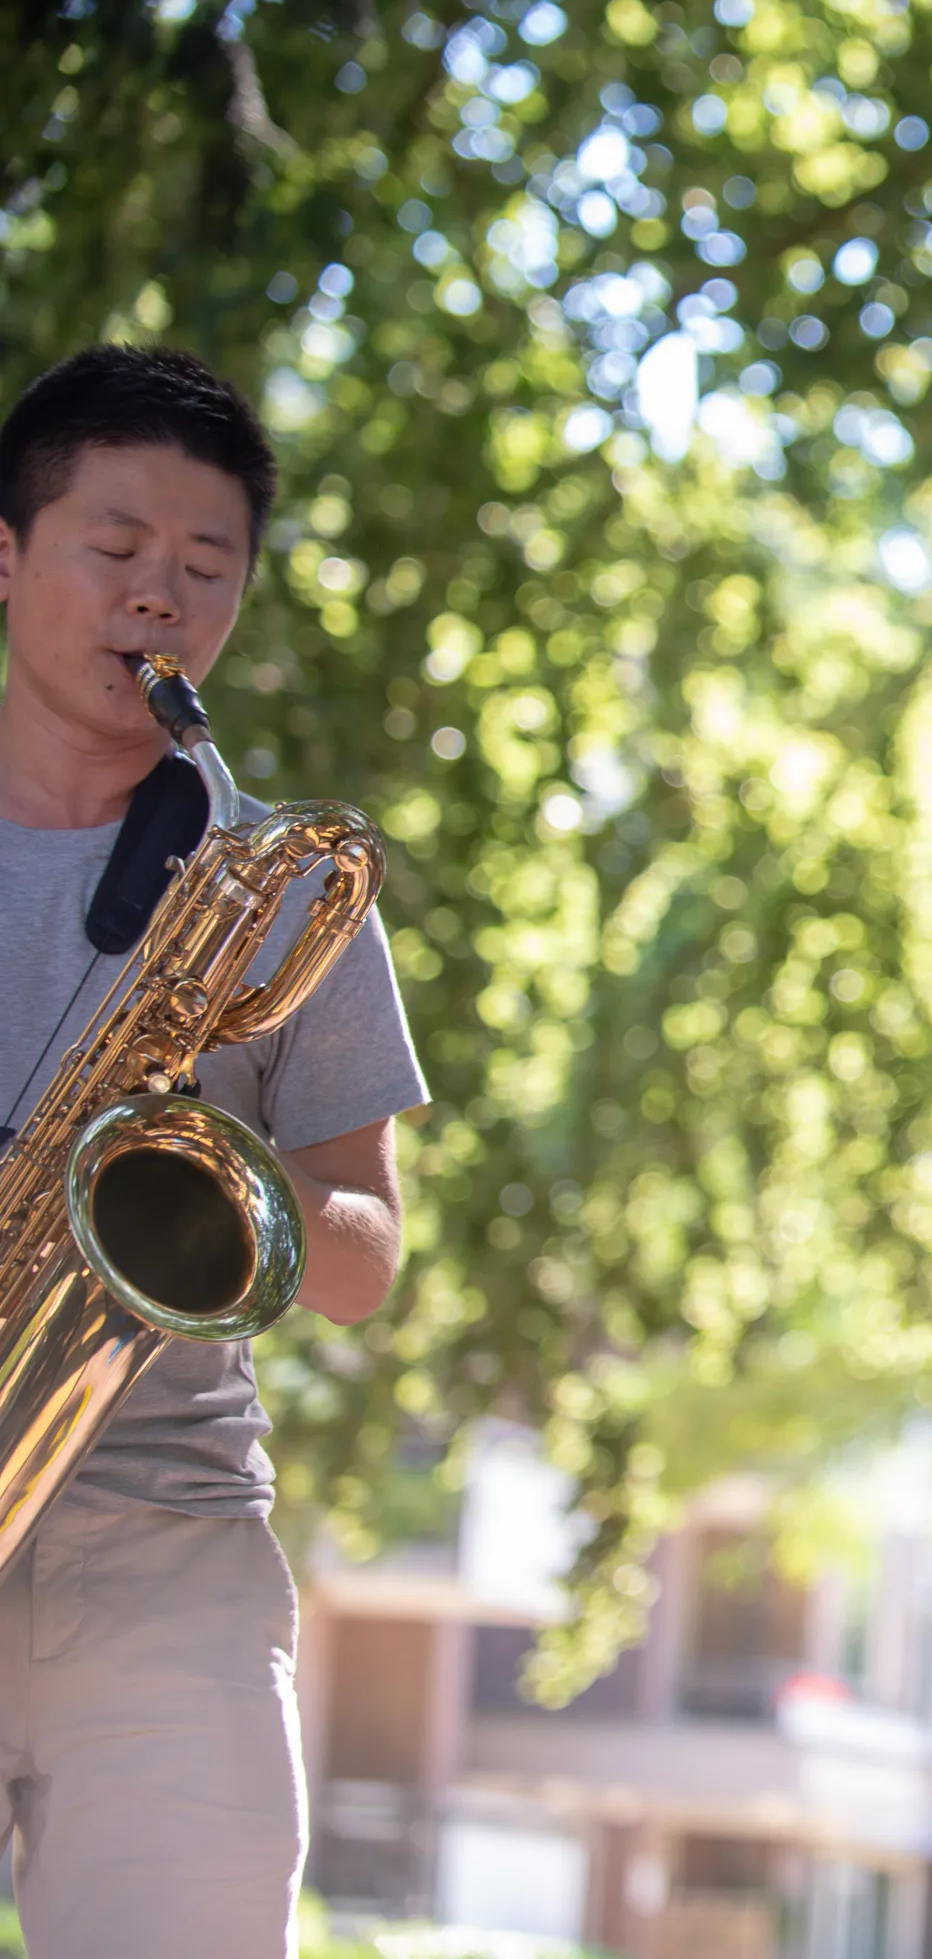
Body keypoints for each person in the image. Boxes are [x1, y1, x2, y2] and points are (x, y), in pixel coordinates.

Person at [0, 346, 428, 1957]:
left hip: (171, 1570)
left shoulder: (289, 894)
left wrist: (217, 1187)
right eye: (116, 553)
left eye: (204, 568)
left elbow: (373, 1259)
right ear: (9, 555)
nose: (159, 601)